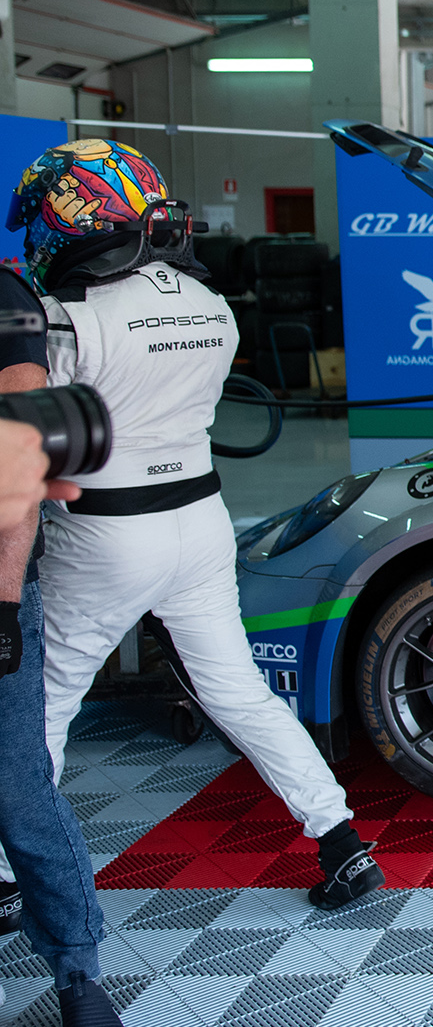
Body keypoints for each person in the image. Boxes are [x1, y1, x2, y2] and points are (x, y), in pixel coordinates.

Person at [0, 139, 383, 915]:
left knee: (43, 706)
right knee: (240, 691)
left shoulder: (64, 321)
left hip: (104, 533)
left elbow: (34, 439)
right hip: (201, 523)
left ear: (75, 217)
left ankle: (8, 878)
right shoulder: (212, 305)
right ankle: (341, 838)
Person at [0, 260, 125, 1027]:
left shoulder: (3, 298)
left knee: (16, 785)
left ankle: (78, 972)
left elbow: (19, 458)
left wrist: (3, 602)